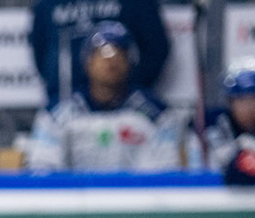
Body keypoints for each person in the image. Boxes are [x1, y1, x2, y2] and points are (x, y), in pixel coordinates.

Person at [27, 22, 190, 173]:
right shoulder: (57, 115)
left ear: (130, 62)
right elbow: (42, 169)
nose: (111, 61)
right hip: (76, 201)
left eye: (119, 53)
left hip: (140, 200)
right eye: (101, 53)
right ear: (87, 62)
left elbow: (168, 170)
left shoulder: (156, 115)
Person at [29, 0, 169, 108]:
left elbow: (156, 48)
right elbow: (40, 50)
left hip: (127, 110)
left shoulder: (136, 2)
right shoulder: (47, 3)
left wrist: (126, 89)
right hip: (65, 107)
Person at [205, 57, 255, 186]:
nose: (250, 108)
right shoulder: (214, 124)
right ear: (230, 102)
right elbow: (234, 178)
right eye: (242, 100)